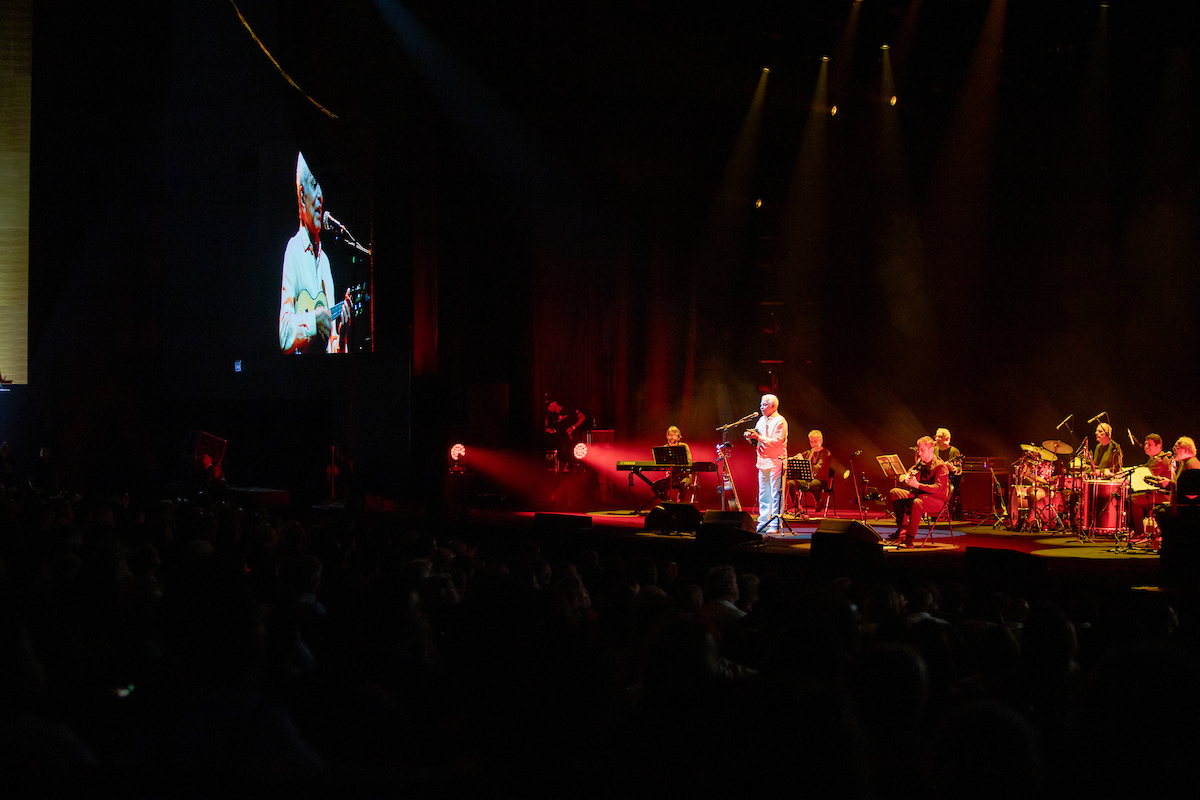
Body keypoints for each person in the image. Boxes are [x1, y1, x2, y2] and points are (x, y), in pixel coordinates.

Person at [279, 152, 351, 354]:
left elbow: (332, 348)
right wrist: (313, 321)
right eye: (313, 184)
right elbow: (284, 335)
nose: (320, 195)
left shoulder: (326, 262)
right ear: (302, 197)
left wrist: (342, 335)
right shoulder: (293, 250)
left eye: (322, 186)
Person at [888, 435, 950, 547]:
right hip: (920, 496)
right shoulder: (921, 463)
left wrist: (917, 485)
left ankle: (909, 539)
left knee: (917, 503)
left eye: (922, 450)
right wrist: (906, 477)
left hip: (937, 500)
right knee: (895, 493)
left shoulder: (941, 467)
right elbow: (910, 473)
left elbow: (938, 488)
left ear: (931, 450)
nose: (919, 453)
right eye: (919, 450)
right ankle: (903, 527)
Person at [744, 394, 788, 533]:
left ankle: (774, 524)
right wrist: (751, 437)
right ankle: (763, 522)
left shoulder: (780, 421)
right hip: (762, 462)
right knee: (764, 494)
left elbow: (777, 441)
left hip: (776, 461)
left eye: (764, 405)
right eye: (761, 404)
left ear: (773, 406)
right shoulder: (761, 420)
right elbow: (758, 439)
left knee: (776, 494)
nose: (761, 407)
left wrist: (759, 437)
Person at [1129, 434, 1172, 542]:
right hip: (1155, 493)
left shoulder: (1160, 460)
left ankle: (1140, 533)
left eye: (1150, 444)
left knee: (1133, 500)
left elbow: (1147, 476)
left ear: (1158, 447)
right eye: (1145, 444)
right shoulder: (1153, 459)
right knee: (1131, 498)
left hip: (1163, 495)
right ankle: (1136, 530)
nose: (1146, 446)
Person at [786, 429, 830, 519]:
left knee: (813, 484)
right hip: (809, 479)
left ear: (821, 441)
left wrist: (804, 462)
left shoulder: (826, 453)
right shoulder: (809, 453)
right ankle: (798, 506)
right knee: (790, 483)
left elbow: (818, 468)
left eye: (815, 441)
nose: (813, 444)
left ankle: (819, 500)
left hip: (821, 480)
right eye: (811, 442)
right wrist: (793, 459)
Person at [544, 398, 587, 472]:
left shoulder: (568, 409)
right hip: (562, 448)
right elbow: (552, 429)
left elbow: (582, 417)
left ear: (554, 402)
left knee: (574, 466)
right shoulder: (552, 416)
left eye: (549, 405)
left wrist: (573, 427)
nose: (548, 408)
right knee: (561, 468)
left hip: (574, 445)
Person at [654, 425, 694, 502]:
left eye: (674, 435)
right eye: (669, 435)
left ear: (679, 437)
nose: (671, 437)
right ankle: (670, 502)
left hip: (684, 476)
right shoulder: (665, 447)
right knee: (655, 486)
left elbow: (689, 461)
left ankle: (680, 505)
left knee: (683, 485)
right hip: (671, 478)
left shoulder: (684, 446)